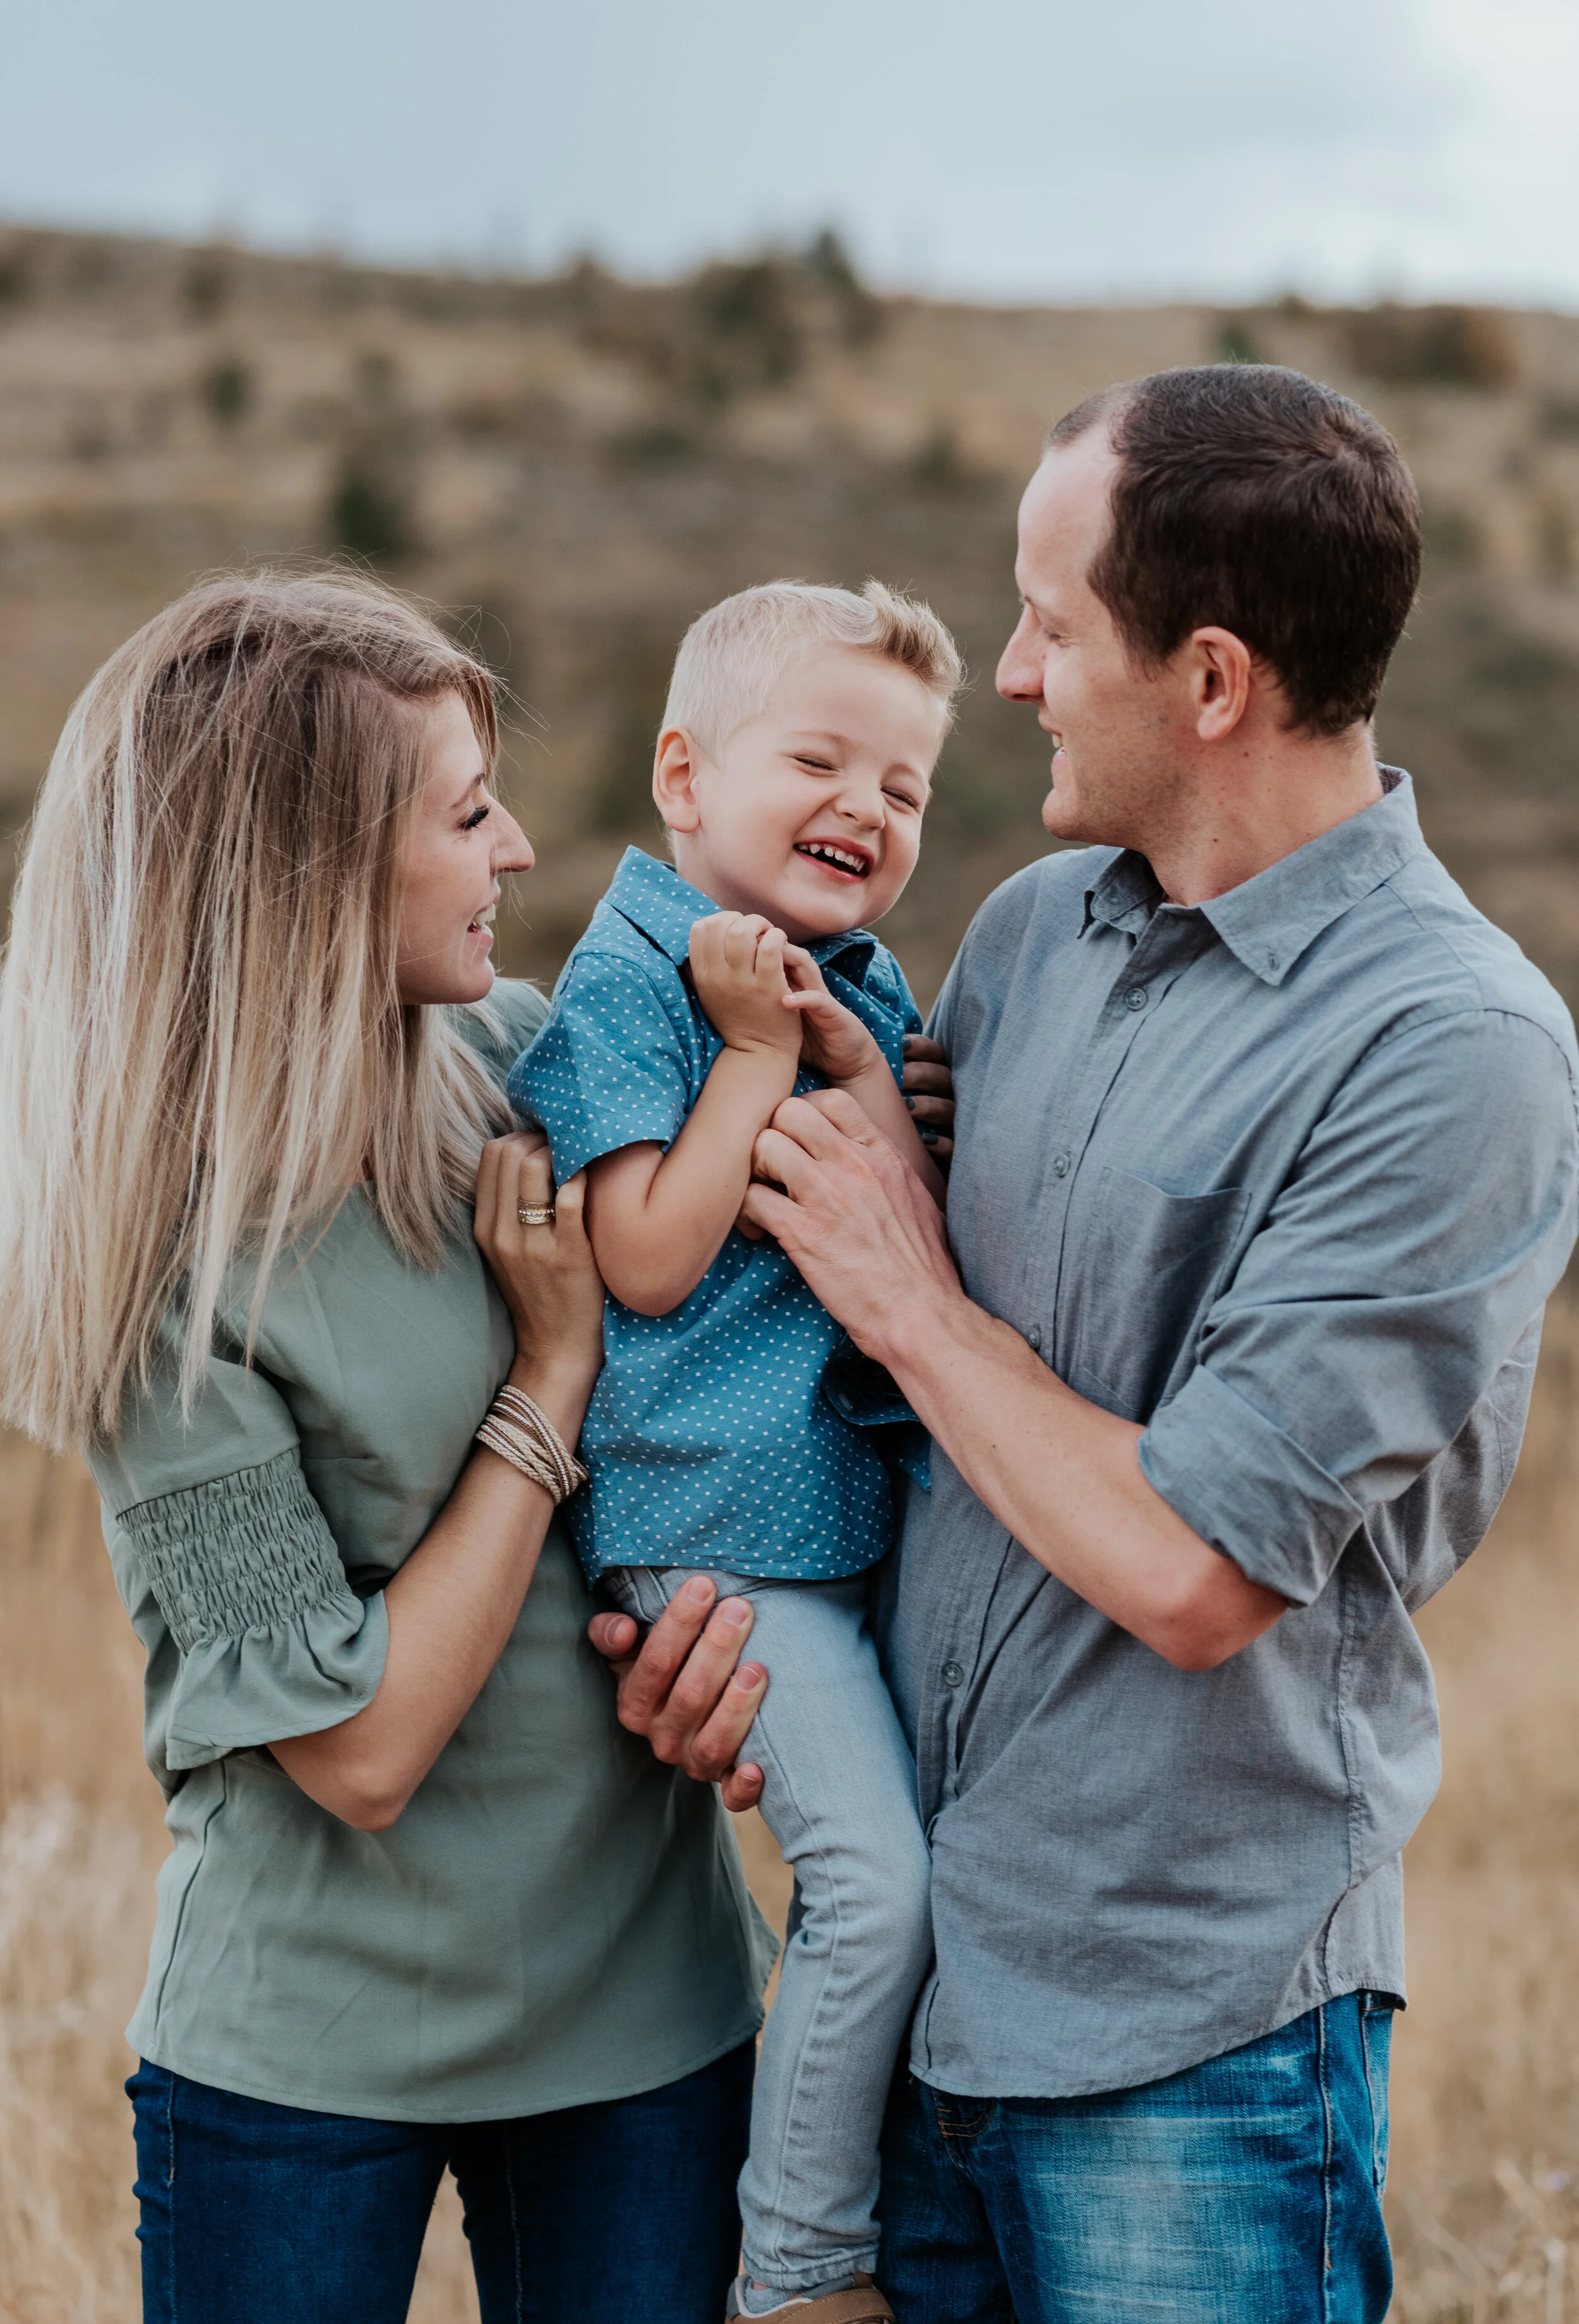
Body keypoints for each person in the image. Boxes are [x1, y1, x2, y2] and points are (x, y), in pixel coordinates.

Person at [592, 366, 1579, 2323]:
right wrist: (732, 1651)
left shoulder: (1448, 1048)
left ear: (1208, 681)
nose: (1020, 674)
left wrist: (907, 1289)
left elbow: (1187, 1570)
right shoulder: (1035, 935)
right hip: (912, 2001)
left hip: (1187, 2056)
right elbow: (862, 1410)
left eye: (1053, 622)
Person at [0, 570, 783, 2324]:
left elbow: (776, 1325)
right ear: (305, 868)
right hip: (297, 2061)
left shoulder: (531, 1069)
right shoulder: (161, 1274)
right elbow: (356, 1749)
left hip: (649, 2023)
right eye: (465, 810)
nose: (515, 849)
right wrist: (550, 1372)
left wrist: (749, 1649)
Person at [510, 581, 961, 2323]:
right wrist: (760, 1059)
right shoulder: (628, 977)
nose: (868, 804)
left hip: (834, 1524)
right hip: (714, 1529)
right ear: (684, 776)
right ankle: (798, 2264)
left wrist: (880, 1094)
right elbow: (645, 1256)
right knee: (875, 1886)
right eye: (821, 759)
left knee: (894, 1884)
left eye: (908, 785)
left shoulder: (861, 976)